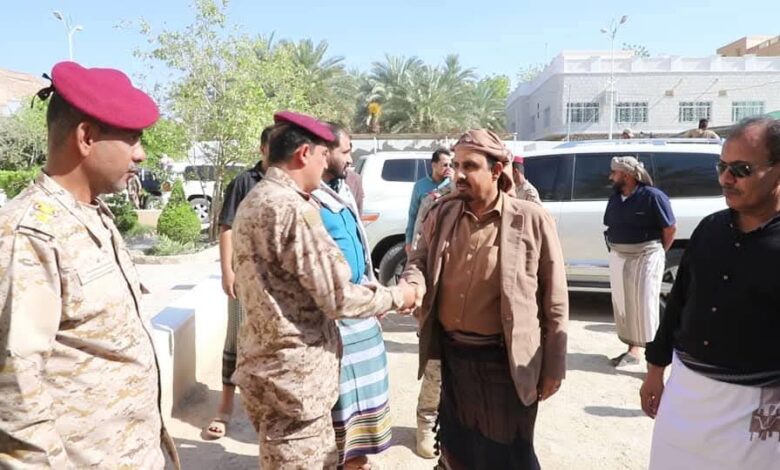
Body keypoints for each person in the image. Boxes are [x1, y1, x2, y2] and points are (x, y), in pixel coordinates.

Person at [0, 61, 178, 468]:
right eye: (131, 138)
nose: (141, 154)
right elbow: (15, 394)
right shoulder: (31, 233)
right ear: (86, 137)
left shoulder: (93, 215)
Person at [231, 111, 419, 469]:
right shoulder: (292, 209)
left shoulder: (257, 198)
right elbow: (337, 297)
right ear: (304, 154)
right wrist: (398, 296)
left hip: (270, 367)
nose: (326, 164)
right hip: (295, 378)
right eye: (322, 154)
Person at [402, 129, 569, 469]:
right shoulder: (442, 213)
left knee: (508, 456)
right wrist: (412, 284)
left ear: (496, 170)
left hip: (505, 364)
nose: (458, 174)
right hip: (454, 357)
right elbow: (418, 260)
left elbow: (555, 298)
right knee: (458, 450)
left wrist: (554, 365)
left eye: (470, 166)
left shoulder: (531, 219)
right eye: (456, 165)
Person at [640, 116, 780, 470]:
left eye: (741, 169)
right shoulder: (710, 228)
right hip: (685, 397)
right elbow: (678, 304)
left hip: (757, 410)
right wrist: (655, 370)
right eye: (722, 167)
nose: (725, 179)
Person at [312, 123, 391, 470]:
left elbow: (358, 241)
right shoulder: (307, 199)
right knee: (340, 403)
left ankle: (356, 460)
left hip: (360, 309)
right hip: (335, 314)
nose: (350, 158)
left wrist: (372, 288)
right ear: (324, 152)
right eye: (345, 151)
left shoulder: (343, 189)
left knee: (365, 400)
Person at [204, 125, 273, 440]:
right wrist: (227, 271)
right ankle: (225, 407)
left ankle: (268, 407)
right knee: (236, 338)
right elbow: (227, 227)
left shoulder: (290, 183)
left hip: (276, 282)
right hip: (244, 277)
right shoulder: (245, 181)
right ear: (262, 149)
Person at [604, 157, 676, 367]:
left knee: (646, 306)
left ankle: (654, 361)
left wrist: (657, 253)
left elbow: (670, 229)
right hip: (619, 256)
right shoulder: (615, 198)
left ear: (627, 175)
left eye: (614, 173)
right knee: (625, 304)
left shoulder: (653, 197)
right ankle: (632, 351)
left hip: (646, 256)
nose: (611, 177)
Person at [404, 148, 454, 254]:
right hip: (424, 237)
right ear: (434, 165)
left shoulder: (452, 185)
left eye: (451, 165)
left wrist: (454, 181)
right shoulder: (420, 186)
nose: (448, 168)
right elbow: (413, 214)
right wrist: (409, 241)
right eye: (445, 165)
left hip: (446, 237)